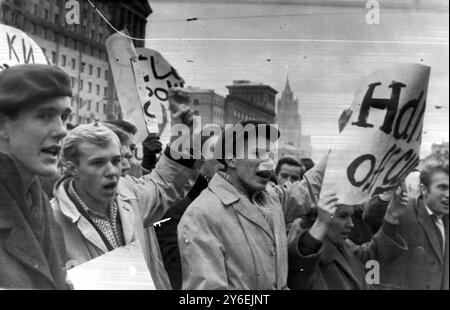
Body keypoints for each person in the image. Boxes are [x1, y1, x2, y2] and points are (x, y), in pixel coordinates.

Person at [51, 112, 198, 289]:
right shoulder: (50, 221)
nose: (112, 171)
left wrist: (181, 140)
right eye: (98, 163)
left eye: (116, 161)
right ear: (72, 169)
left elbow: (162, 185)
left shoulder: (129, 193)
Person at [178, 120, 326, 290]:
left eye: (270, 156)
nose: (269, 164)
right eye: (257, 153)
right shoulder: (201, 215)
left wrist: (345, 149)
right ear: (231, 159)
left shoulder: (271, 198)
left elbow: (309, 186)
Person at [0, 64, 72, 289]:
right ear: (2, 126)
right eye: (44, 115)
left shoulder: (37, 201)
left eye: (64, 116)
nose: (62, 130)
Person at [287, 188, 408, 290]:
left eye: (351, 216)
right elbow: (300, 266)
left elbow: (371, 256)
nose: (351, 224)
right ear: (323, 214)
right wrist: (321, 223)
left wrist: (392, 216)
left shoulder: (344, 246)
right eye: (343, 216)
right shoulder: (306, 254)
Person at [364, 161, 449, 290]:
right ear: (424, 190)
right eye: (442, 187)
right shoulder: (404, 209)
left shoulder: (445, 219)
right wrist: (386, 196)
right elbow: (372, 216)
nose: (448, 195)